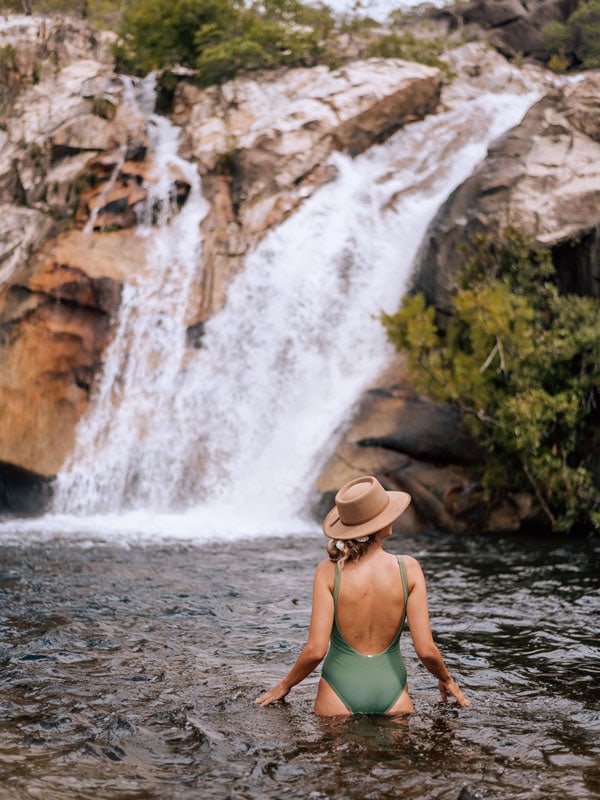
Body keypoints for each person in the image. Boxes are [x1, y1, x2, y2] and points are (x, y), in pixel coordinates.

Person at [254, 475, 469, 715]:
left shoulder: (328, 571)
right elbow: (426, 651)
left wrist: (285, 685)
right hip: (393, 693)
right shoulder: (409, 569)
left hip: (337, 693)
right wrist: (446, 678)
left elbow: (315, 650)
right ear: (379, 523)